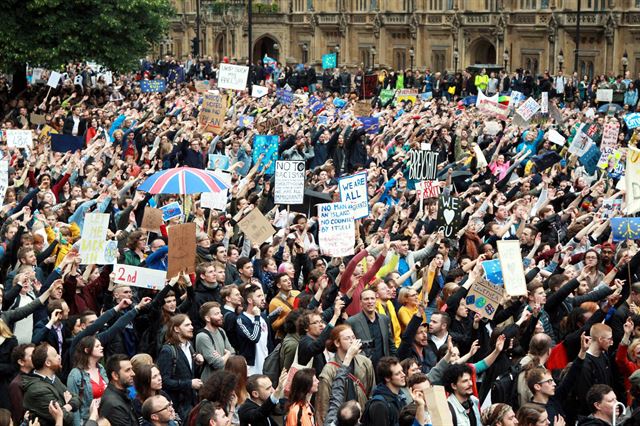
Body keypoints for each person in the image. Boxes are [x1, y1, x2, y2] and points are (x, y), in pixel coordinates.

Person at [315, 328, 374, 425]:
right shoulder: (328, 371)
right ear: (337, 343)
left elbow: (371, 392)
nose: (352, 341)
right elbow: (323, 407)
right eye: (347, 338)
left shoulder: (365, 362)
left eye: (353, 337)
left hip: (360, 419)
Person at [157, 314, 204, 420]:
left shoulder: (190, 346)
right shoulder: (168, 351)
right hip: (177, 407)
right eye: (187, 325)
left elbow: (187, 371)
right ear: (177, 329)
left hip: (191, 403)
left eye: (191, 324)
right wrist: (189, 384)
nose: (192, 327)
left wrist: (198, 363)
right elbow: (164, 381)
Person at [23, 343, 80, 426]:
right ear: (48, 363)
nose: (59, 356)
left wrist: (66, 406)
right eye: (55, 355)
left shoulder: (53, 378)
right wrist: (69, 405)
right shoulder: (38, 390)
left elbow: (77, 398)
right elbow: (66, 418)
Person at [346, 289, 397, 368]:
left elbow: (390, 344)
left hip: (384, 368)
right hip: (364, 368)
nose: (370, 301)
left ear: (376, 300)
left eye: (372, 298)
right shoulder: (352, 322)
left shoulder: (384, 319)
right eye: (366, 299)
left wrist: (395, 363)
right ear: (360, 303)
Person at [66, 336, 108, 426]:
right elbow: (74, 407)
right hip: (87, 421)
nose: (102, 347)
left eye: (101, 345)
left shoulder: (101, 368)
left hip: (105, 420)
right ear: (87, 350)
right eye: (97, 346)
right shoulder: (75, 374)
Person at [360, 356, 407, 426]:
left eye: (402, 371)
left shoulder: (401, 397)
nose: (403, 375)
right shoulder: (379, 405)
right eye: (397, 373)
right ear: (387, 378)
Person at [196, 302, 234, 382]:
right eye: (217, 314)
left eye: (220, 313)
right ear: (207, 318)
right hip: (210, 382)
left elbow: (233, 353)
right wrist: (227, 354)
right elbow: (218, 364)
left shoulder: (221, 331)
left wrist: (223, 357)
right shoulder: (203, 336)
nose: (221, 315)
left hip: (223, 379)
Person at [99, 354, 138, 426]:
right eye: (127, 370)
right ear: (115, 375)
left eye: (131, 369)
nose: (133, 374)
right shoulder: (114, 405)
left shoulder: (122, 395)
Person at [8, 343, 34, 423]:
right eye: (31, 355)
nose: (36, 357)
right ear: (21, 362)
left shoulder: (37, 376)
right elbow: (19, 416)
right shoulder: (16, 384)